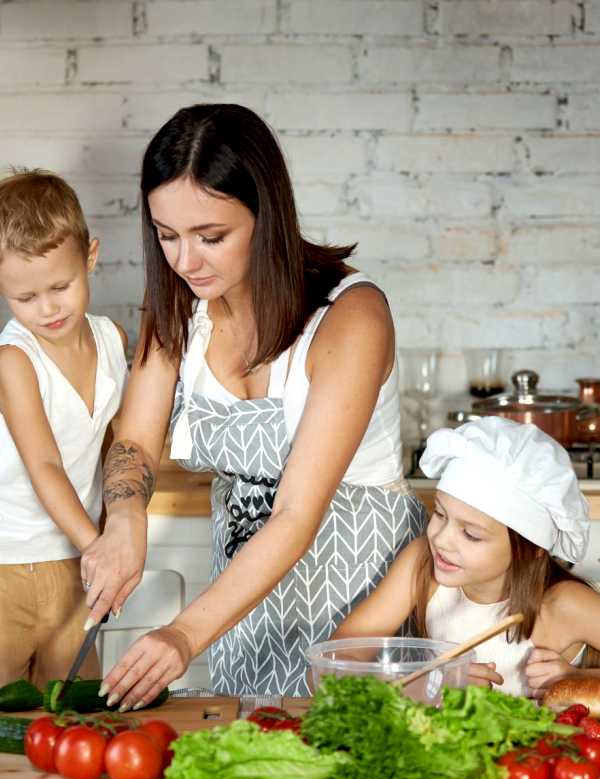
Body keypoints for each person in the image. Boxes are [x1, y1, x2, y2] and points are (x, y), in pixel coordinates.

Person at [79, 103, 425, 712]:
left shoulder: (351, 317)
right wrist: (126, 518)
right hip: (240, 615)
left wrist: (183, 633)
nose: (185, 262)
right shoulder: (180, 309)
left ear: (267, 215)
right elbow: (133, 438)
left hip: (359, 617)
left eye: (211, 237)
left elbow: (294, 512)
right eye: (167, 236)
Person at [0, 169, 128, 779]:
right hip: (8, 570)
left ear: (91, 256)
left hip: (76, 571)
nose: (47, 308)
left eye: (61, 286)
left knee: (73, 736)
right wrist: (99, 542)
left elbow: (116, 441)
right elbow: (46, 466)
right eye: (25, 296)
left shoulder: (111, 341)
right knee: (4, 748)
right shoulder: (13, 359)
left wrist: (111, 531)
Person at [333, 416, 600, 697]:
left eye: (471, 534)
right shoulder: (421, 563)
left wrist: (579, 679)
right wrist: (424, 683)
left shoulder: (565, 604)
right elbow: (335, 660)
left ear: (532, 547)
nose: (441, 539)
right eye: (439, 514)